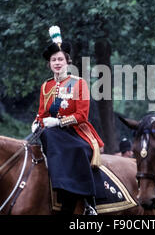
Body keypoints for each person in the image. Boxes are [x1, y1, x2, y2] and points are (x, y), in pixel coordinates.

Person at [31, 26, 105, 215]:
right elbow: (41, 114)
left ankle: (87, 200)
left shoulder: (78, 83)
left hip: (76, 131)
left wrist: (59, 122)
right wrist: (37, 122)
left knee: (78, 149)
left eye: (60, 59)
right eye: (53, 60)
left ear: (67, 62)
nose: (57, 63)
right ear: (49, 63)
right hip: (50, 132)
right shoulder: (45, 86)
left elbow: (82, 116)